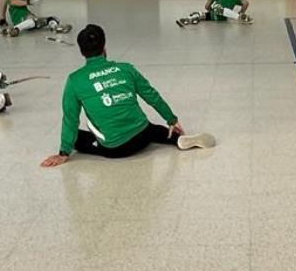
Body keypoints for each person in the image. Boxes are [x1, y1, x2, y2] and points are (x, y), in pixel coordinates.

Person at [40, 24, 215, 166]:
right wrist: (171, 119)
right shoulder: (126, 68)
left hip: (116, 148)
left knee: (77, 137)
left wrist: (63, 153)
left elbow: (70, 119)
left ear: (81, 51)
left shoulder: (75, 80)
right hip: (143, 135)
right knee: (151, 129)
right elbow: (151, 96)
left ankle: (101, 142)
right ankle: (176, 139)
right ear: (104, 46)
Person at [176, 0, 252, 27]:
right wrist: (241, 12)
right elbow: (246, 3)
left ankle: (189, 19)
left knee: (214, 8)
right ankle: (239, 16)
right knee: (211, 11)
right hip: (224, 18)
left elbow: (206, 6)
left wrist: (211, 10)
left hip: (216, 13)